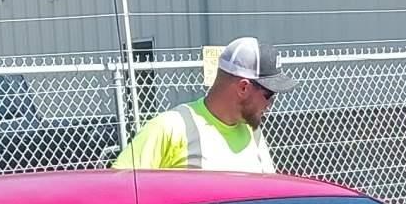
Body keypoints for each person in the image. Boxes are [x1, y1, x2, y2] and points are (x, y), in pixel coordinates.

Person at [112, 37, 287, 173]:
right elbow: (118, 189)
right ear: (243, 87)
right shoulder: (172, 127)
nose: (271, 105)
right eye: (269, 95)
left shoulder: (252, 131)